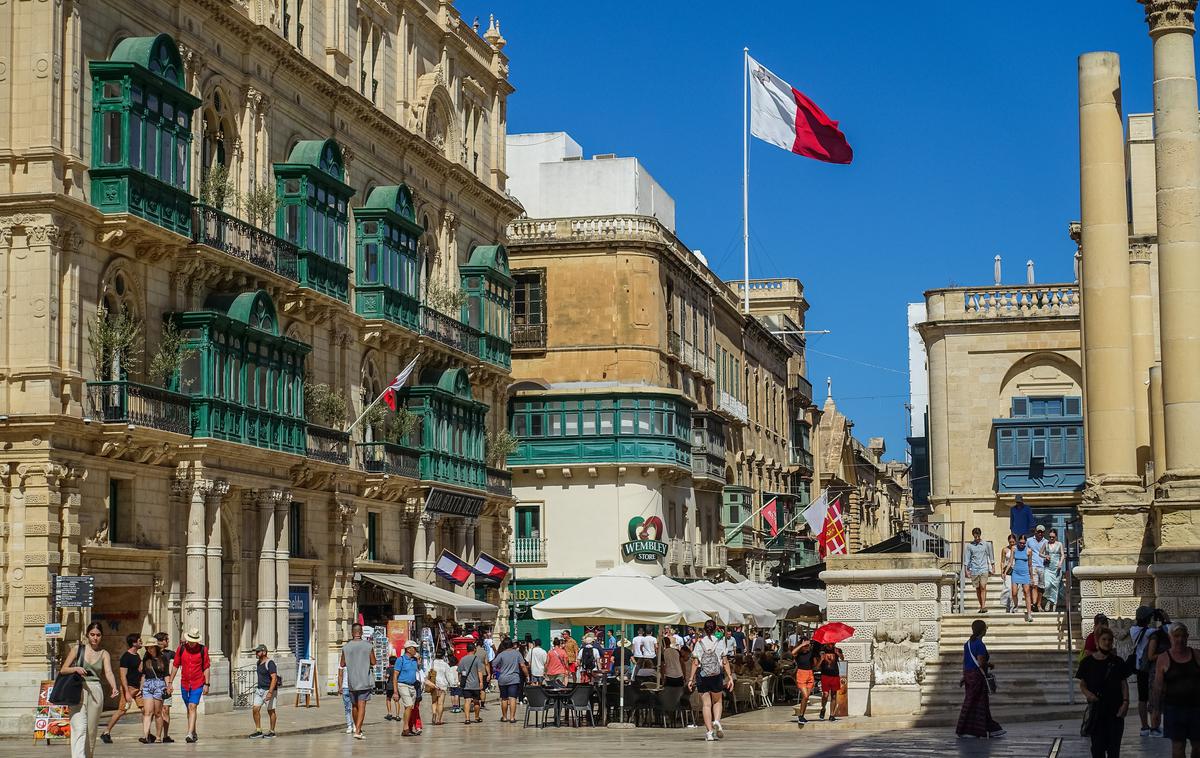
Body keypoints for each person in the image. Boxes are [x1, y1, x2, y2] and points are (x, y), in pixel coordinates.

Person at [61, 622, 119, 758]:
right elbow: (63, 669)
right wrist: (75, 668)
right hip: (78, 690)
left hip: (96, 691)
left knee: (91, 730)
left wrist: (114, 687)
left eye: (98, 635)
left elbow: (109, 672)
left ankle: (88, 755)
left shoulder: (104, 654)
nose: (95, 638)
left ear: (101, 637)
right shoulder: (77, 649)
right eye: (92, 634)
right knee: (79, 727)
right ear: (87, 635)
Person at [1076, 627, 1128, 758]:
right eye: (1104, 639)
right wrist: (1088, 694)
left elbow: (1123, 684)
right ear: (1097, 641)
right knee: (1097, 749)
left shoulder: (1118, 662)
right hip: (1097, 712)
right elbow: (1082, 684)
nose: (1107, 642)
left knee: (1113, 750)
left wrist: (1125, 703)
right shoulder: (1087, 663)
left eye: (1110, 640)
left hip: (1115, 711)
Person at [1152, 623, 1200, 758]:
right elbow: (1158, 686)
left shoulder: (1196, 655)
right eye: (1176, 636)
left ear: (1188, 637)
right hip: (1174, 709)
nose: (1180, 639)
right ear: (1170, 637)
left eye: (1183, 636)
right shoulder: (1163, 658)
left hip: (1196, 708)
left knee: (1198, 746)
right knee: (1178, 747)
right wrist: (1156, 711)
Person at [956, 619, 1005, 739]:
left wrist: (964, 675)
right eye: (986, 628)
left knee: (977, 702)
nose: (986, 629)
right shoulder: (980, 644)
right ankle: (970, 730)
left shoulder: (967, 644)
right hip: (977, 676)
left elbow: (965, 661)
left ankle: (991, 729)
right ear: (982, 630)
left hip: (969, 675)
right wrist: (989, 665)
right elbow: (980, 661)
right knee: (976, 703)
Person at [688, 619, 733, 742]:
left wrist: (690, 679)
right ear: (715, 629)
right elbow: (725, 661)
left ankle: (709, 732)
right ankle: (717, 721)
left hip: (703, 675)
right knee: (717, 701)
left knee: (706, 704)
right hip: (716, 675)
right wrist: (730, 677)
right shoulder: (720, 643)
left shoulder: (699, 643)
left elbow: (695, 662)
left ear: (704, 629)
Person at [166, 627, 210, 744]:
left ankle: (189, 733)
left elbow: (206, 667)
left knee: (192, 706)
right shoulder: (181, 649)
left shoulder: (203, 650)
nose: (191, 643)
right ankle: (194, 732)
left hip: (198, 682)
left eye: (194, 641)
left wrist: (207, 684)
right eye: (190, 640)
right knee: (189, 709)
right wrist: (170, 682)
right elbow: (175, 666)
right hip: (185, 683)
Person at [100, 633, 143, 744]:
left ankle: (146, 733)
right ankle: (106, 732)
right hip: (128, 687)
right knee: (121, 711)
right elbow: (122, 675)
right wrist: (127, 692)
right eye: (139, 640)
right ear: (134, 643)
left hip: (137, 688)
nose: (141, 642)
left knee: (145, 710)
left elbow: (138, 671)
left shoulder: (137, 656)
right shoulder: (126, 657)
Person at [340, 623, 376, 740]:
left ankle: (356, 728)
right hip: (364, 679)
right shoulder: (368, 646)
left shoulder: (346, 647)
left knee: (354, 706)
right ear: (361, 633)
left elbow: (342, 664)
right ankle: (358, 730)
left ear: (352, 632)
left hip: (351, 681)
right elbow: (374, 662)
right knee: (362, 705)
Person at [1129, 606, 1159, 737]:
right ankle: (1154, 727)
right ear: (1147, 619)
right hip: (1150, 668)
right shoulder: (1150, 632)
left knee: (1142, 698)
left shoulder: (1133, 630)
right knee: (1153, 697)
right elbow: (1166, 630)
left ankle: (1144, 727)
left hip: (1139, 667)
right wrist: (1165, 619)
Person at [137, 637, 169, 744]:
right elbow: (143, 674)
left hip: (159, 684)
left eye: (151, 647)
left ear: (156, 647)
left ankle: (158, 736)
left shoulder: (163, 658)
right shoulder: (146, 658)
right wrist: (141, 688)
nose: (149, 650)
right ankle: (146, 736)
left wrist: (168, 686)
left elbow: (166, 674)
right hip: (147, 685)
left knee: (158, 712)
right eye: (148, 648)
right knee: (147, 712)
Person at [492, 638, 527, 723]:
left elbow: (494, 664)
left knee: (504, 698)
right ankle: (512, 718)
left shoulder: (501, 654)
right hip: (514, 679)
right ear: (512, 644)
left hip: (502, 679)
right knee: (513, 698)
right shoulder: (517, 653)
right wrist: (527, 675)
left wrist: (500, 668)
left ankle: (504, 717)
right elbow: (522, 665)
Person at [248, 644, 278, 739]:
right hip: (259, 690)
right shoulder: (258, 663)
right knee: (255, 709)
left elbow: (274, 678)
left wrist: (270, 692)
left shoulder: (270, 663)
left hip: (269, 690)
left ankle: (272, 731)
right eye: (256, 651)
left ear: (264, 652)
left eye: (258, 651)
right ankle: (258, 730)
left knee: (271, 711)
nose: (256, 653)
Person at [391, 640, 420, 736]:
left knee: (410, 708)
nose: (416, 650)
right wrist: (395, 692)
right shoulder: (400, 660)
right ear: (408, 649)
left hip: (412, 686)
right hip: (402, 685)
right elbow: (395, 675)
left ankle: (410, 727)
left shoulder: (415, 660)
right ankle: (405, 728)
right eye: (414, 648)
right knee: (409, 705)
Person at [964, 527, 995, 613]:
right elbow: (967, 558)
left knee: (983, 586)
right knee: (978, 588)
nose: (976, 538)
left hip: (984, 568)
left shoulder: (986, 544)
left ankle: (984, 606)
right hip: (974, 569)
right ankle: (981, 606)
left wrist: (993, 566)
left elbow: (991, 555)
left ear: (980, 535)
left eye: (978, 536)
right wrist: (966, 570)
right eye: (975, 537)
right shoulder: (970, 546)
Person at [790, 634, 817, 723]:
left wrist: (819, 659)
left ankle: (802, 715)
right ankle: (801, 716)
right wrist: (801, 645)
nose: (807, 647)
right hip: (801, 674)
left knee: (806, 697)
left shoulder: (811, 653)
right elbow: (792, 653)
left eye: (807, 645)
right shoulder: (798, 653)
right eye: (805, 645)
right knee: (805, 696)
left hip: (810, 674)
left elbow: (815, 666)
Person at [153, 632, 174, 743]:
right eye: (166, 639)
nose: (168, 641)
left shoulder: (170, 653)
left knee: (166, 710)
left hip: (166, 685)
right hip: (154, 685)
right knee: (155, 711)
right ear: (161, 641)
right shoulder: (151, 654)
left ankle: (165, 735)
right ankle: (157, 735)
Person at [1009, 534, 1034, 622]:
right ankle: (1016, 605)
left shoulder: (1029, 551)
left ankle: (1029, 614)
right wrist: (1005, 572)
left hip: (1025, 573)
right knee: (1014, 592)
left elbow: (1030, 565)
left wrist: (1031, 577)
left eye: (1023, 543)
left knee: (1027, 593)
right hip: (1016, 573)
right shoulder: (1014, 549)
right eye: (1020, 543)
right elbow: (1010, 561)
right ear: (1018, 542)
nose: (1022, 545)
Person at [458, 641, 484, 724]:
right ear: (474, 649)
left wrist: (459, 681)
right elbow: (479, 671)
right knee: (476, 701)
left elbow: (459, 672)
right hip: (475, 684)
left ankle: (467, 718)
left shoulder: (462, 659)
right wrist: (481, 682)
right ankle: (476, 717)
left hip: (466, 684)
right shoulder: (477, 659)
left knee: (467, 701)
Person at [1041, 528, 1067, 612]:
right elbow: (1040, 553)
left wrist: (1060, 563)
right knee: (1048, 585)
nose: (1051, 538)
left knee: (1055, 586)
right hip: (1048, 567)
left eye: (1053, 537)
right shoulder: (1046, 543)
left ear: (1056, 537)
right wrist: (1045, 556)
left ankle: (1054, 603)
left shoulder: (1059, 544)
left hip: (1056, 567)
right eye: (1050, 537)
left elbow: (1063, 555)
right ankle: (1049, 600)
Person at [817, 643, 844, 722]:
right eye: (830, 643)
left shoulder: (837, 650)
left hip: (835, 675)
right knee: (825, 694)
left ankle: (832, 715)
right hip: (825, 675)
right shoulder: (822, 651)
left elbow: (842, 658)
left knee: (834, 695)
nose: (831, 644)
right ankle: (823, 708)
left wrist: (838, 653)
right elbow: (817, 666)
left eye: (833, 643)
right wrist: (821, 659)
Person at [428, 648, 453, 726]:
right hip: (442, 686)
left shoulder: (432, 663)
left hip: (433, 685)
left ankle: (434, 714)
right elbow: (449, 676)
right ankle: (439, 719)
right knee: (440, 703)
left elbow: (427, 673)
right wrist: (452, 684)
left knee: (434, 702)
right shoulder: (445, 665)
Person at [1026, 524, 1048, 612]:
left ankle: (1038, 604)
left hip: (1043, 566)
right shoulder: (1029, 540)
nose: (1040, 533)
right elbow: (1026, 552)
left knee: (1041, 587)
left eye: (1042, 532)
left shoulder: (1046, 542)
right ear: (1035, 531)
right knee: (1034, 585)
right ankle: (1034, 604)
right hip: (1033, 565)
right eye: (1039, 532)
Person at [1000, 534, 1017, 613]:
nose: (1012, 543)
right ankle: (1007, 604)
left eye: (1013, 542)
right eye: (1010, 542)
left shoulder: (1018, 549)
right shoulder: (1005, 549)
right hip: (1008, 570)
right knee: (1008, 588)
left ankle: (1014, 606)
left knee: (1015, 590)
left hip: (1016, 570)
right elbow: (1002, 561)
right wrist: (1002, 572)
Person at [337, 660, 354, 733]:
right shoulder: (342, 663)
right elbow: (340, 675)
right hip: (345, 687)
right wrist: (340, 687)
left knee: (355, 707)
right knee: (347, 708)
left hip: (354, 687)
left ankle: (356, 725)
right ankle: (349, 725)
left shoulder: (354, 661)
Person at [384, 655, 399, 721]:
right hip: (397, 686)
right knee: (396, 701)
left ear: (390, 662)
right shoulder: (397, 669)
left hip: (390, 686)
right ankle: (397, 715)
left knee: (388, 699)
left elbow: (387, 676)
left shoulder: (388, 669)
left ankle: (389, 713)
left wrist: (385, 676)